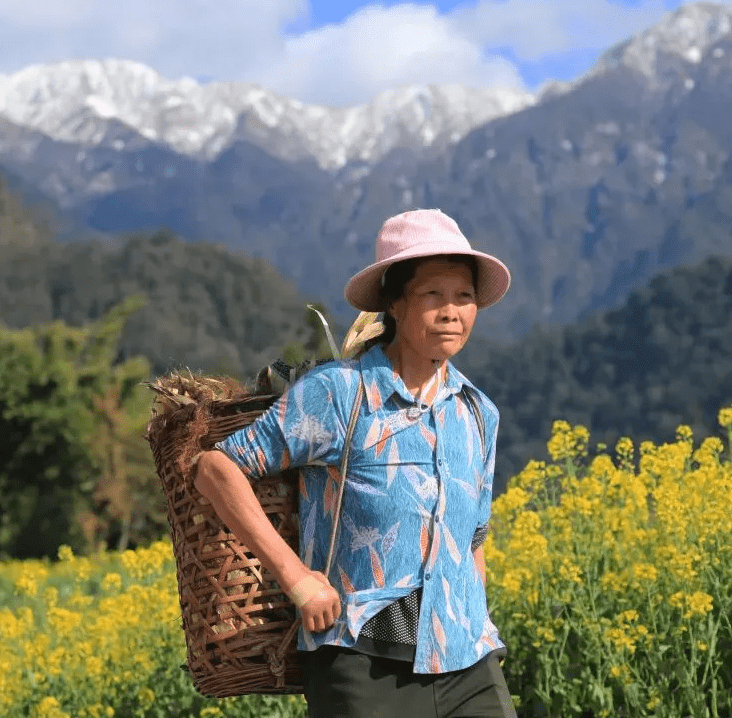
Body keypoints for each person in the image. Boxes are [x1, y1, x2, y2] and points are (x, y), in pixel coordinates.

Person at [195, 208, 517, 717]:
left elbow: (473, 540)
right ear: (395, 302)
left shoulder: (477, 413)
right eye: (433, 294)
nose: (451, 311)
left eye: (465, 296)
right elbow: (216, 469)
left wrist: (477, 622)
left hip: (468, 663)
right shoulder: (340, 395)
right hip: (363, 663)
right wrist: (298, 579)